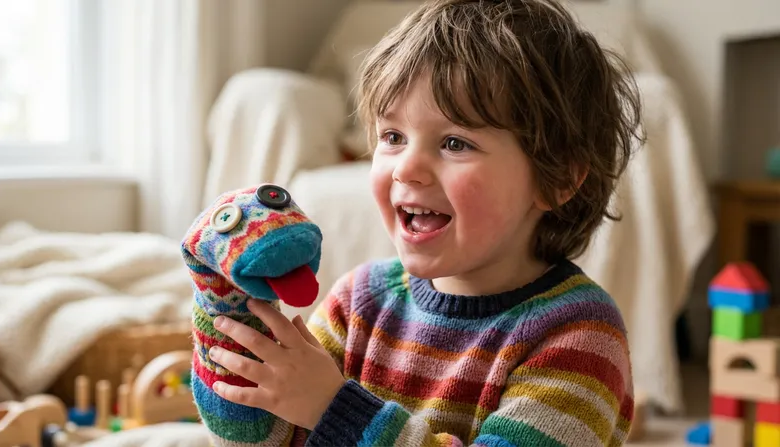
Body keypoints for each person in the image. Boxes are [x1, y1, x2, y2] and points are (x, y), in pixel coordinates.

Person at [187, 0, 644, 445]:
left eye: (454, 143)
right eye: (393, 137)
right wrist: (220, 308)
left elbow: (325, 414)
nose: (406, 168)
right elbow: (265, 439)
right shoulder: (360, 301)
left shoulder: (582, 338)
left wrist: (332, 409)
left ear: (559, 179)